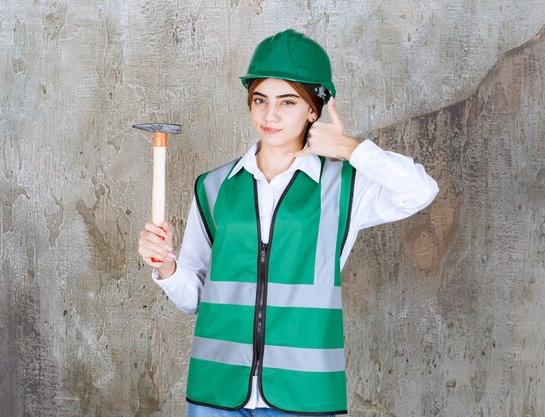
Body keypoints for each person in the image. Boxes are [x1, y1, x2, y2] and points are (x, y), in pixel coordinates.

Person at [138, 29, 439, 417]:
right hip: (216, 393)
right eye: (260, 99)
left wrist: (349, 149)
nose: (270, 115)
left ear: (313, 109)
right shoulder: (213, 188)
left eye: (288, 101)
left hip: (304, 396)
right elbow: (196, 299)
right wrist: (166, 266)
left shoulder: (343, 188)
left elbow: (420, 189)